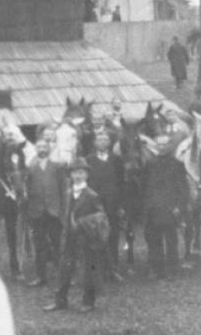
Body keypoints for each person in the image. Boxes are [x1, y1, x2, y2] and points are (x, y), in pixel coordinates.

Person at [44, 158, 108, 313]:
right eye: (74, 173)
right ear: (70, 175)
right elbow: (63, 213)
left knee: (88, 270)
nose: (77, 176)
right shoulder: (67, 193)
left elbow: (101, 216)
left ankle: (88, 301)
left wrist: (83, 223)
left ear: (86, 175)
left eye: (81, 173)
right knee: (64, 268)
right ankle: (60, 300)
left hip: (86, 239)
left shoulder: (92, 195)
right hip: (69, 238)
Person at [138, 132, 188, 279]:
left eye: (164, 144)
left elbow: (182, 188)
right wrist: (146, 207)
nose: (161, 147)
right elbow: (145, 187)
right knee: (154, 240)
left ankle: (173, 270)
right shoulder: (150, 164)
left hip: (170, 208)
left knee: (171, 240)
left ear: (170, 145)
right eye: (158, 144)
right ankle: (156, 269)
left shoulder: (177, 164)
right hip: (153, 209)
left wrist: (179, 206)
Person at [85, 127, 126, 282]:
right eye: (99, 139)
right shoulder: (88, 160)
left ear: (110, 142)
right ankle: (98, 269)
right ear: (94, 142)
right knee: (95, 237)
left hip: (112, 204)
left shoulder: (116, 160)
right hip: (94, 206)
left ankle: (113, 268)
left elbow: (122, 183)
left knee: (112, 235)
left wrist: (121, 205)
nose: (102, 142)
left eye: (105, 139)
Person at [23, 135, 64, 287]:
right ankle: (41, 276)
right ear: (35, 149)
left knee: (57, 244)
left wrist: (62, 211)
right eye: (39, 147)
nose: (42, 149)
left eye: (44, 147)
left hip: (54, 211)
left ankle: (62, 275)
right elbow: (26, 189)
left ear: (49, 149)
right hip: (37, 212)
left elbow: (63, 189)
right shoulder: (30, 169)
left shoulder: (57, 167)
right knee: (39, 245)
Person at [0, 129, 26, 280]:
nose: (10, 137)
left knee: (12, 229)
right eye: (8, 134)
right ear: (2, 136)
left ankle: (15, 266)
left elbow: (22, 167)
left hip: (13, 187)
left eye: (12, 134)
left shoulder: (18, 148)